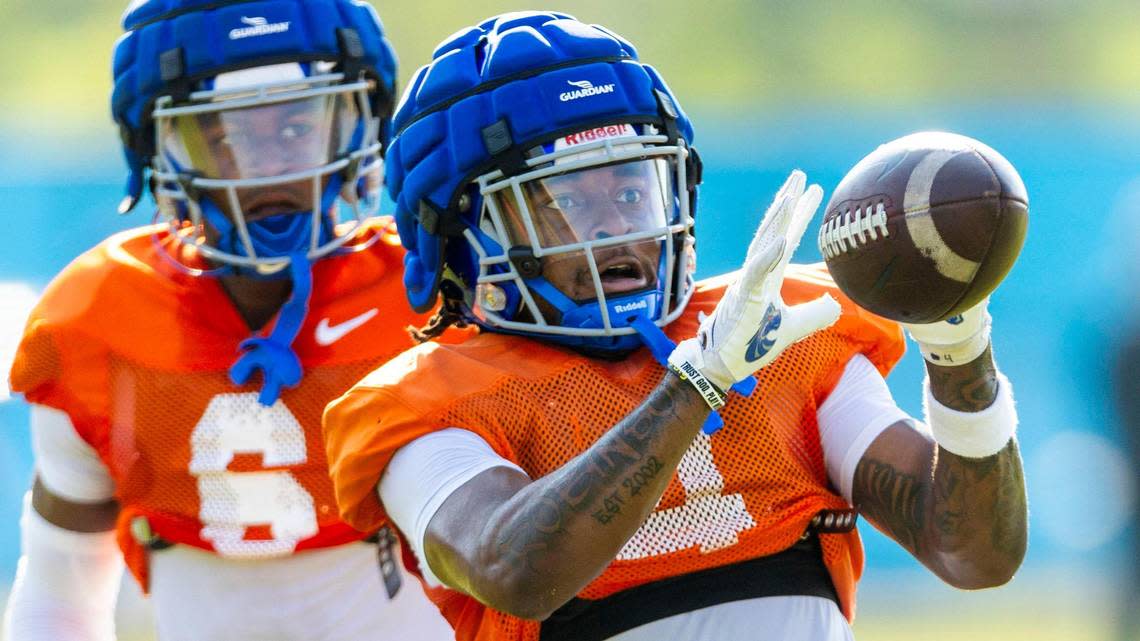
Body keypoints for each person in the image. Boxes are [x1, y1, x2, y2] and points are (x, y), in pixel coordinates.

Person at [323, 12, 1028, 641]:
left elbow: (974, 552)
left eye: (633, 191)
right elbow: (517, 571)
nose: (619, 230)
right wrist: (698, 382)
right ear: (460, 237)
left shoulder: (786, 336)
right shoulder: (424, 409)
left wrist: (960, 353)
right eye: (564, 203)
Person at [3, 1, 454, 640]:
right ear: (159, 146)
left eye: (298, 127)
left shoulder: (426, 292)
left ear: (355, 124)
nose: (267, 165)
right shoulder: (96, 318)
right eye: (225, 135)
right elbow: (60, 596)